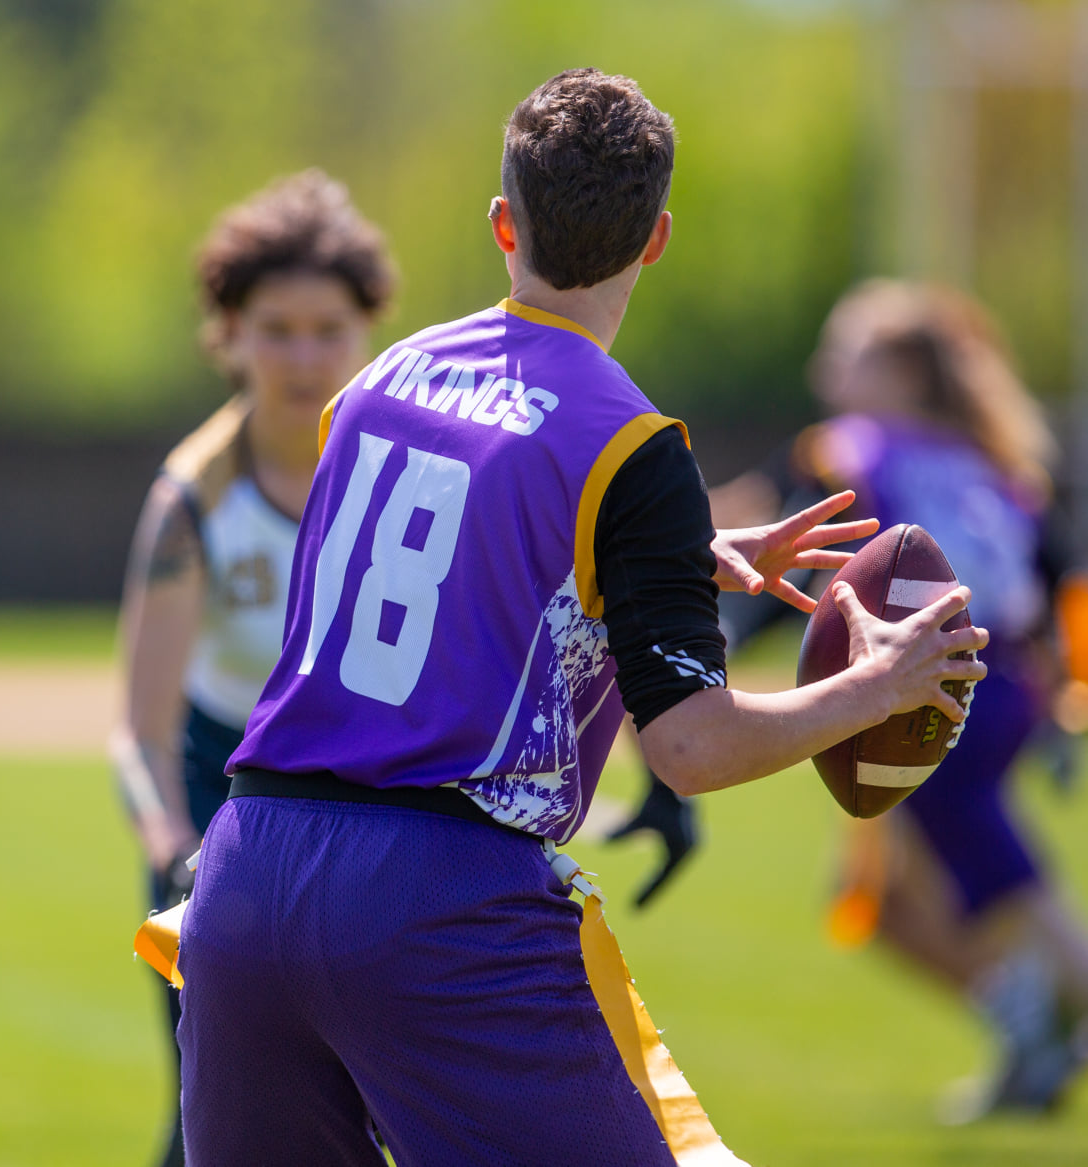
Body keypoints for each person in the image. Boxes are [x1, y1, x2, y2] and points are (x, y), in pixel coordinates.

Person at [176, 68, 988, 1165]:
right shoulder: (631, 442)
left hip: (249, 878)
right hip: (435, 903)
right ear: (654, 240)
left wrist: (680, 560)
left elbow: (426, 567)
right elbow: (692, 749)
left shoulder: (374, 383)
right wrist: (875, 687)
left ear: (503, 224)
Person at [110, 169, 395, 1167]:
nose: (304, 356)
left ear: (368, 330)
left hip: (361, 801)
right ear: (227, 332)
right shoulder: (191, 499)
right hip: (218, 798)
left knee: (367, 1105)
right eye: (275, 328)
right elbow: (138, 732)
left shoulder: (405, 474)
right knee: (211, 1110)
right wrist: (171, 841)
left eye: (328, 328)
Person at [780, 280, 1088, 1117]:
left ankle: (1058, 1018)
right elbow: (1058, 573)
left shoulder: (854, 449)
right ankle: (1031, 1037)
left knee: (1012, 889)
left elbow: (802, 561)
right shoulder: (994, 464)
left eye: (849, 351)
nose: (827, 366)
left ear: (905, 374)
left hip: (931, 688)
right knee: (878, 902)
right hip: (1006, 687)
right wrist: (1064, 689)